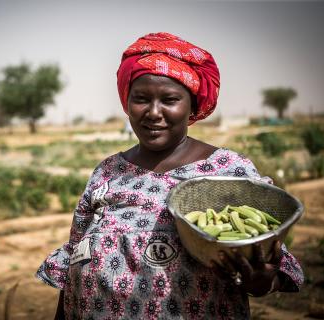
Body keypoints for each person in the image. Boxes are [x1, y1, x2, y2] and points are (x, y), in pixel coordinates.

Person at [36, 32, 303, 319]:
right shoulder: (107, 172)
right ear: (127, 102)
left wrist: (263, 282)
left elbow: (265, 259)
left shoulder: (227, 169)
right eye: (141, 99)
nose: (153, 112)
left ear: (192, 107)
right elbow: (76, 257)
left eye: (170, 99)